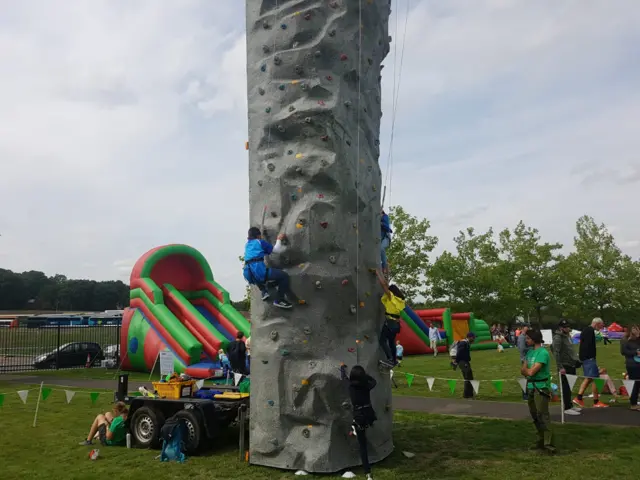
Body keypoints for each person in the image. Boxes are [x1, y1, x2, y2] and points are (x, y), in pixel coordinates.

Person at [521, 329, 555, 454]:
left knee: (543, 415)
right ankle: (540, 440)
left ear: (534, 339)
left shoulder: (542, 353)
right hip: (530, 387)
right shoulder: (529, 353)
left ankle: (548, 444)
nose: (526, 340)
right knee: (535, 415)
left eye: (528, 338)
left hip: (541, 388)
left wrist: (527, 370)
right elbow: (523, 370)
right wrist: (526, 370)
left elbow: (530, 372)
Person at [341, 364, 377, 480]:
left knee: (362, 445)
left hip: (359, 416)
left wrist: (342, 368)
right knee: (362, 435)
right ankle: (355, 428)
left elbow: (343, 378)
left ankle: (367, 472)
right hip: (369, 414)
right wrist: (365, 376)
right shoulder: (366, 385)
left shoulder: (350, 386)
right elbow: (374, 381)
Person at [243, 227, 292, 309]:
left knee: (262, 278)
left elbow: (264, 252)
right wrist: (279, 239)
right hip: (258, 271)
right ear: (258, 235)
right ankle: (279, 300)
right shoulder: (260, 242)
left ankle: (264, 290)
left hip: (248, 273)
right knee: (284, 276)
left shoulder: (247, 245)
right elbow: (276, 250)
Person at [573, 317, 609, 408]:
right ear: (597, 323)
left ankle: (584, 398)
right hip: (589, 358)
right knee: (593, 378)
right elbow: (587, 346)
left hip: (586, 358)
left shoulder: (586, 330)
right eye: (601, 325)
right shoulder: (589, 331)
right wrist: (589, 358)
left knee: (590, 378)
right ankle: (585, 399)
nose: (601, 327)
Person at [551, 319, 582, 416]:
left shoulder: (567, 336)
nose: (568, 328)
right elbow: (556, 352)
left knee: (570, 386)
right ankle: (566, 407)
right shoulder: (558, 338)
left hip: (571, 364)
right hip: (564, 365)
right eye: (566, 327)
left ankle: (570, 405)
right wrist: (560, 367)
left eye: (568, 326)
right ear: (561, 328)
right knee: (565, 387)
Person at [375, 269, 404, 368]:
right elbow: (386, 285)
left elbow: (384, 285)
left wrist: (378, 273)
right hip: (396, 324)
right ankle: (394, 360)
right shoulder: (400, 299)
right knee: (391, 342)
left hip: (390, 322)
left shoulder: (391, 296)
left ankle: (390, 359)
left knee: (382, 341)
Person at [620, 324, 640, 410]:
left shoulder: (638, 340)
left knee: (638, 384)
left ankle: (635, 402)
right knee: (635, 383)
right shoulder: (625, 340)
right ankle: (633, 404)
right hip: (632, 365)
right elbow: (624, 352)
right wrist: (636, 353)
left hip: (638, 364)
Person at [453, 332, 476, 399]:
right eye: (473, 337)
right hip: (462, 362)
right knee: (467, 377)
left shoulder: (467, 343)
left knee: (470, 377)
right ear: (469, 337)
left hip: (465, 361)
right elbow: (459, 353)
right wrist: (456, 362)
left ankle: (470, 394)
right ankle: (466, 395)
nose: (474, 339)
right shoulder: (463, 343)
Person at [517, 325, 531, 400]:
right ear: (523, 329)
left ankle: (527, 394)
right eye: (526, 329)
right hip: (525, 359)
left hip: (525, 359)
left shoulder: (522, 336)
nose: (527, 331)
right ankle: (525, 395)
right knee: (527, 378)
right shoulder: (522, 337)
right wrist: (532, 348)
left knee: (528, 378)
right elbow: (522, 349)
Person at [380, 209, 392, 276]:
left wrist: (381, 223)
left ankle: (384, 266)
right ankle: (382, 265)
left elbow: (388, 228)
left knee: (381, 248)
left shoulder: (385, 216)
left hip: (386, 238)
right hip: (379, 240)